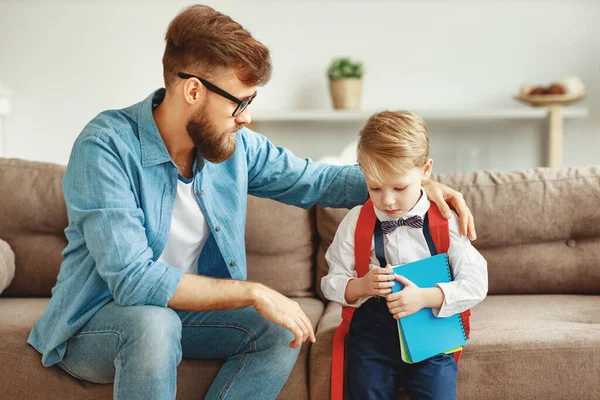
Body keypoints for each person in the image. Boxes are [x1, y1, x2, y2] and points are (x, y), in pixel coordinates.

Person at [27, 5, 477, 400]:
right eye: (239, 102)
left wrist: (412, 186)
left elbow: (315, 180)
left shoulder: (233, 148)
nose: (247, 117)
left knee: (285, 329)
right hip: (96, 326)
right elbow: (133, 281)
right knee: (153, 324)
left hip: (185, 317)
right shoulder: (105, 146)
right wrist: (255, 291)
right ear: (193, 91)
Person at [322, 110, 487, 400]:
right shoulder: (355, 221)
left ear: (425, 171)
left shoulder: (446, 220)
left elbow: (476, 283)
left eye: (399, 187)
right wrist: (360, 286)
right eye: (374, 187)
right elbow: (331, 280)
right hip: (373, 333)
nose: (387, 200)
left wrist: (426, 297)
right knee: (366, 391)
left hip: (431, 328)